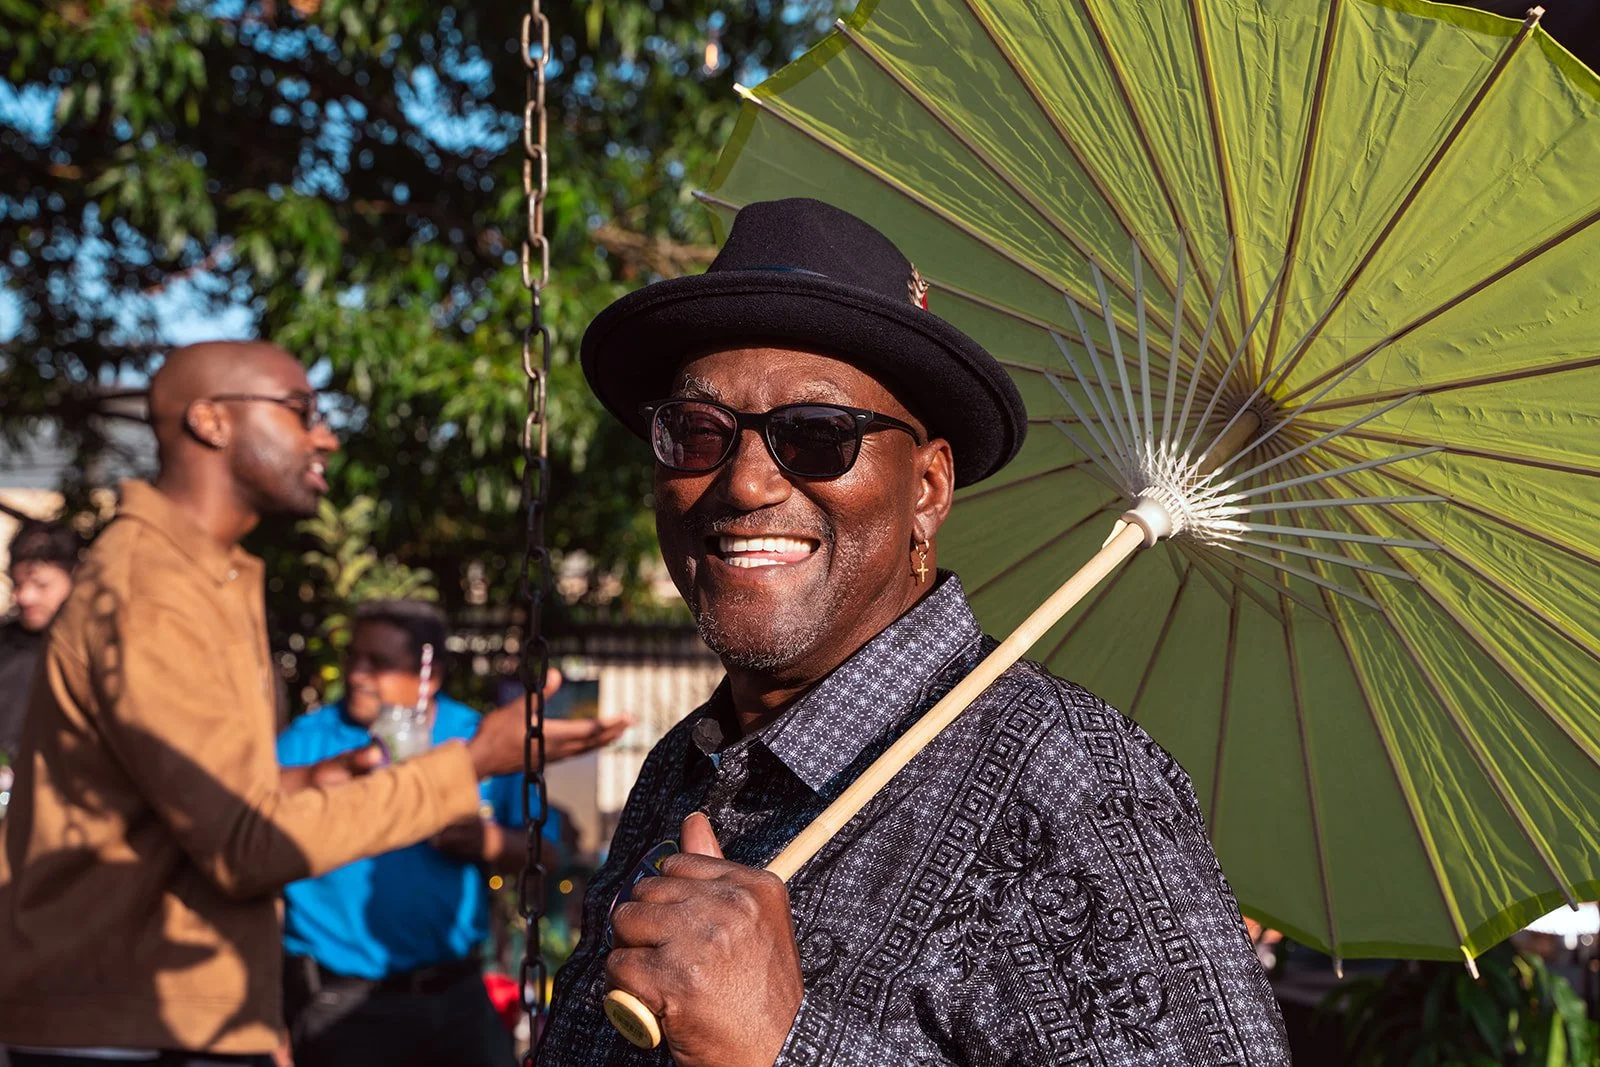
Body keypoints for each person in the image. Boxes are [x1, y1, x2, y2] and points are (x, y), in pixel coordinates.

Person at [538, 199, 1291, 1066]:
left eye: (816, 435)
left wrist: (790, 1048)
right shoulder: (686, 767)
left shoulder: (1067, 787)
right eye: (699, 432)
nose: (744, 483)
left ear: (928, 489)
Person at [0, 341, 532, 1066]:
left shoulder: (207, 577)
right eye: (300, 411)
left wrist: (322, 779)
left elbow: (194, 804)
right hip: (128, 1024)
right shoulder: (152, 589)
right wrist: (467, 766)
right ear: (212, 421)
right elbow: (245, 848)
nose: (326, 436)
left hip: (179, 1016)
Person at [277, 599, 630, 1067]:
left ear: (431, 675)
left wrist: (485, 842)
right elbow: (261, 860)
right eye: (354, 658)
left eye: (379, 663)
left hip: (456, 995)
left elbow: (545, 853)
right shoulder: (307, 743)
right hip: (340, 1001)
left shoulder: (478, 739)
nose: (358, 674)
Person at [0, 520, 81, 760]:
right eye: (18, 584)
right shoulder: (6, 645)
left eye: (41, 585)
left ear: (74, 576)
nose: (24, 596)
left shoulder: (91, 649)